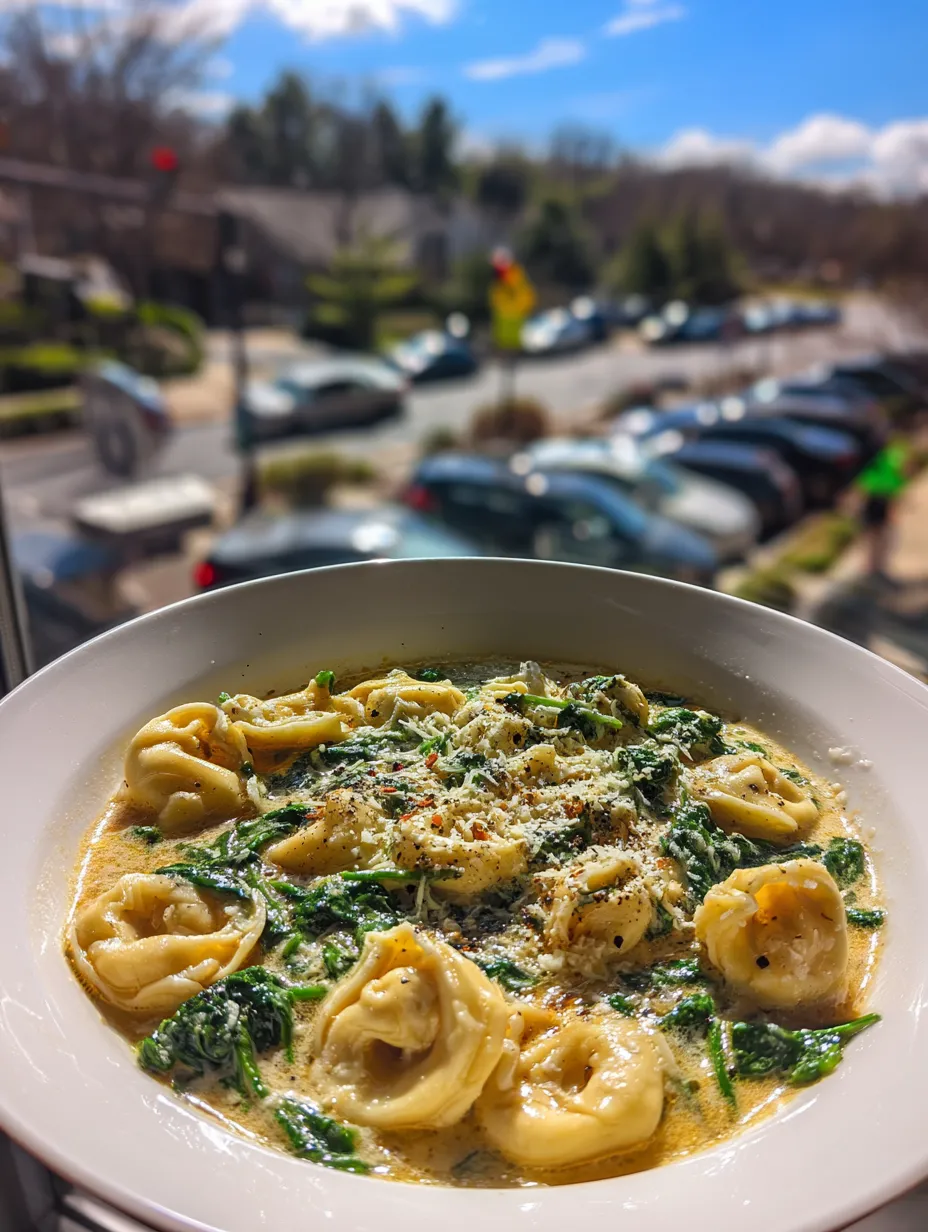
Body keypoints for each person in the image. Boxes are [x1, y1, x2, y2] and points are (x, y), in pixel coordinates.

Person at [855, 437, 912, 580]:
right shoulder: (892, 459)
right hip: (877, 500)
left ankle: (874, 566)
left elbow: (864, 484)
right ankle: (874, 566)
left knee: (876, 535)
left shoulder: (884, 459)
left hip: (876, 500)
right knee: (878, 535)